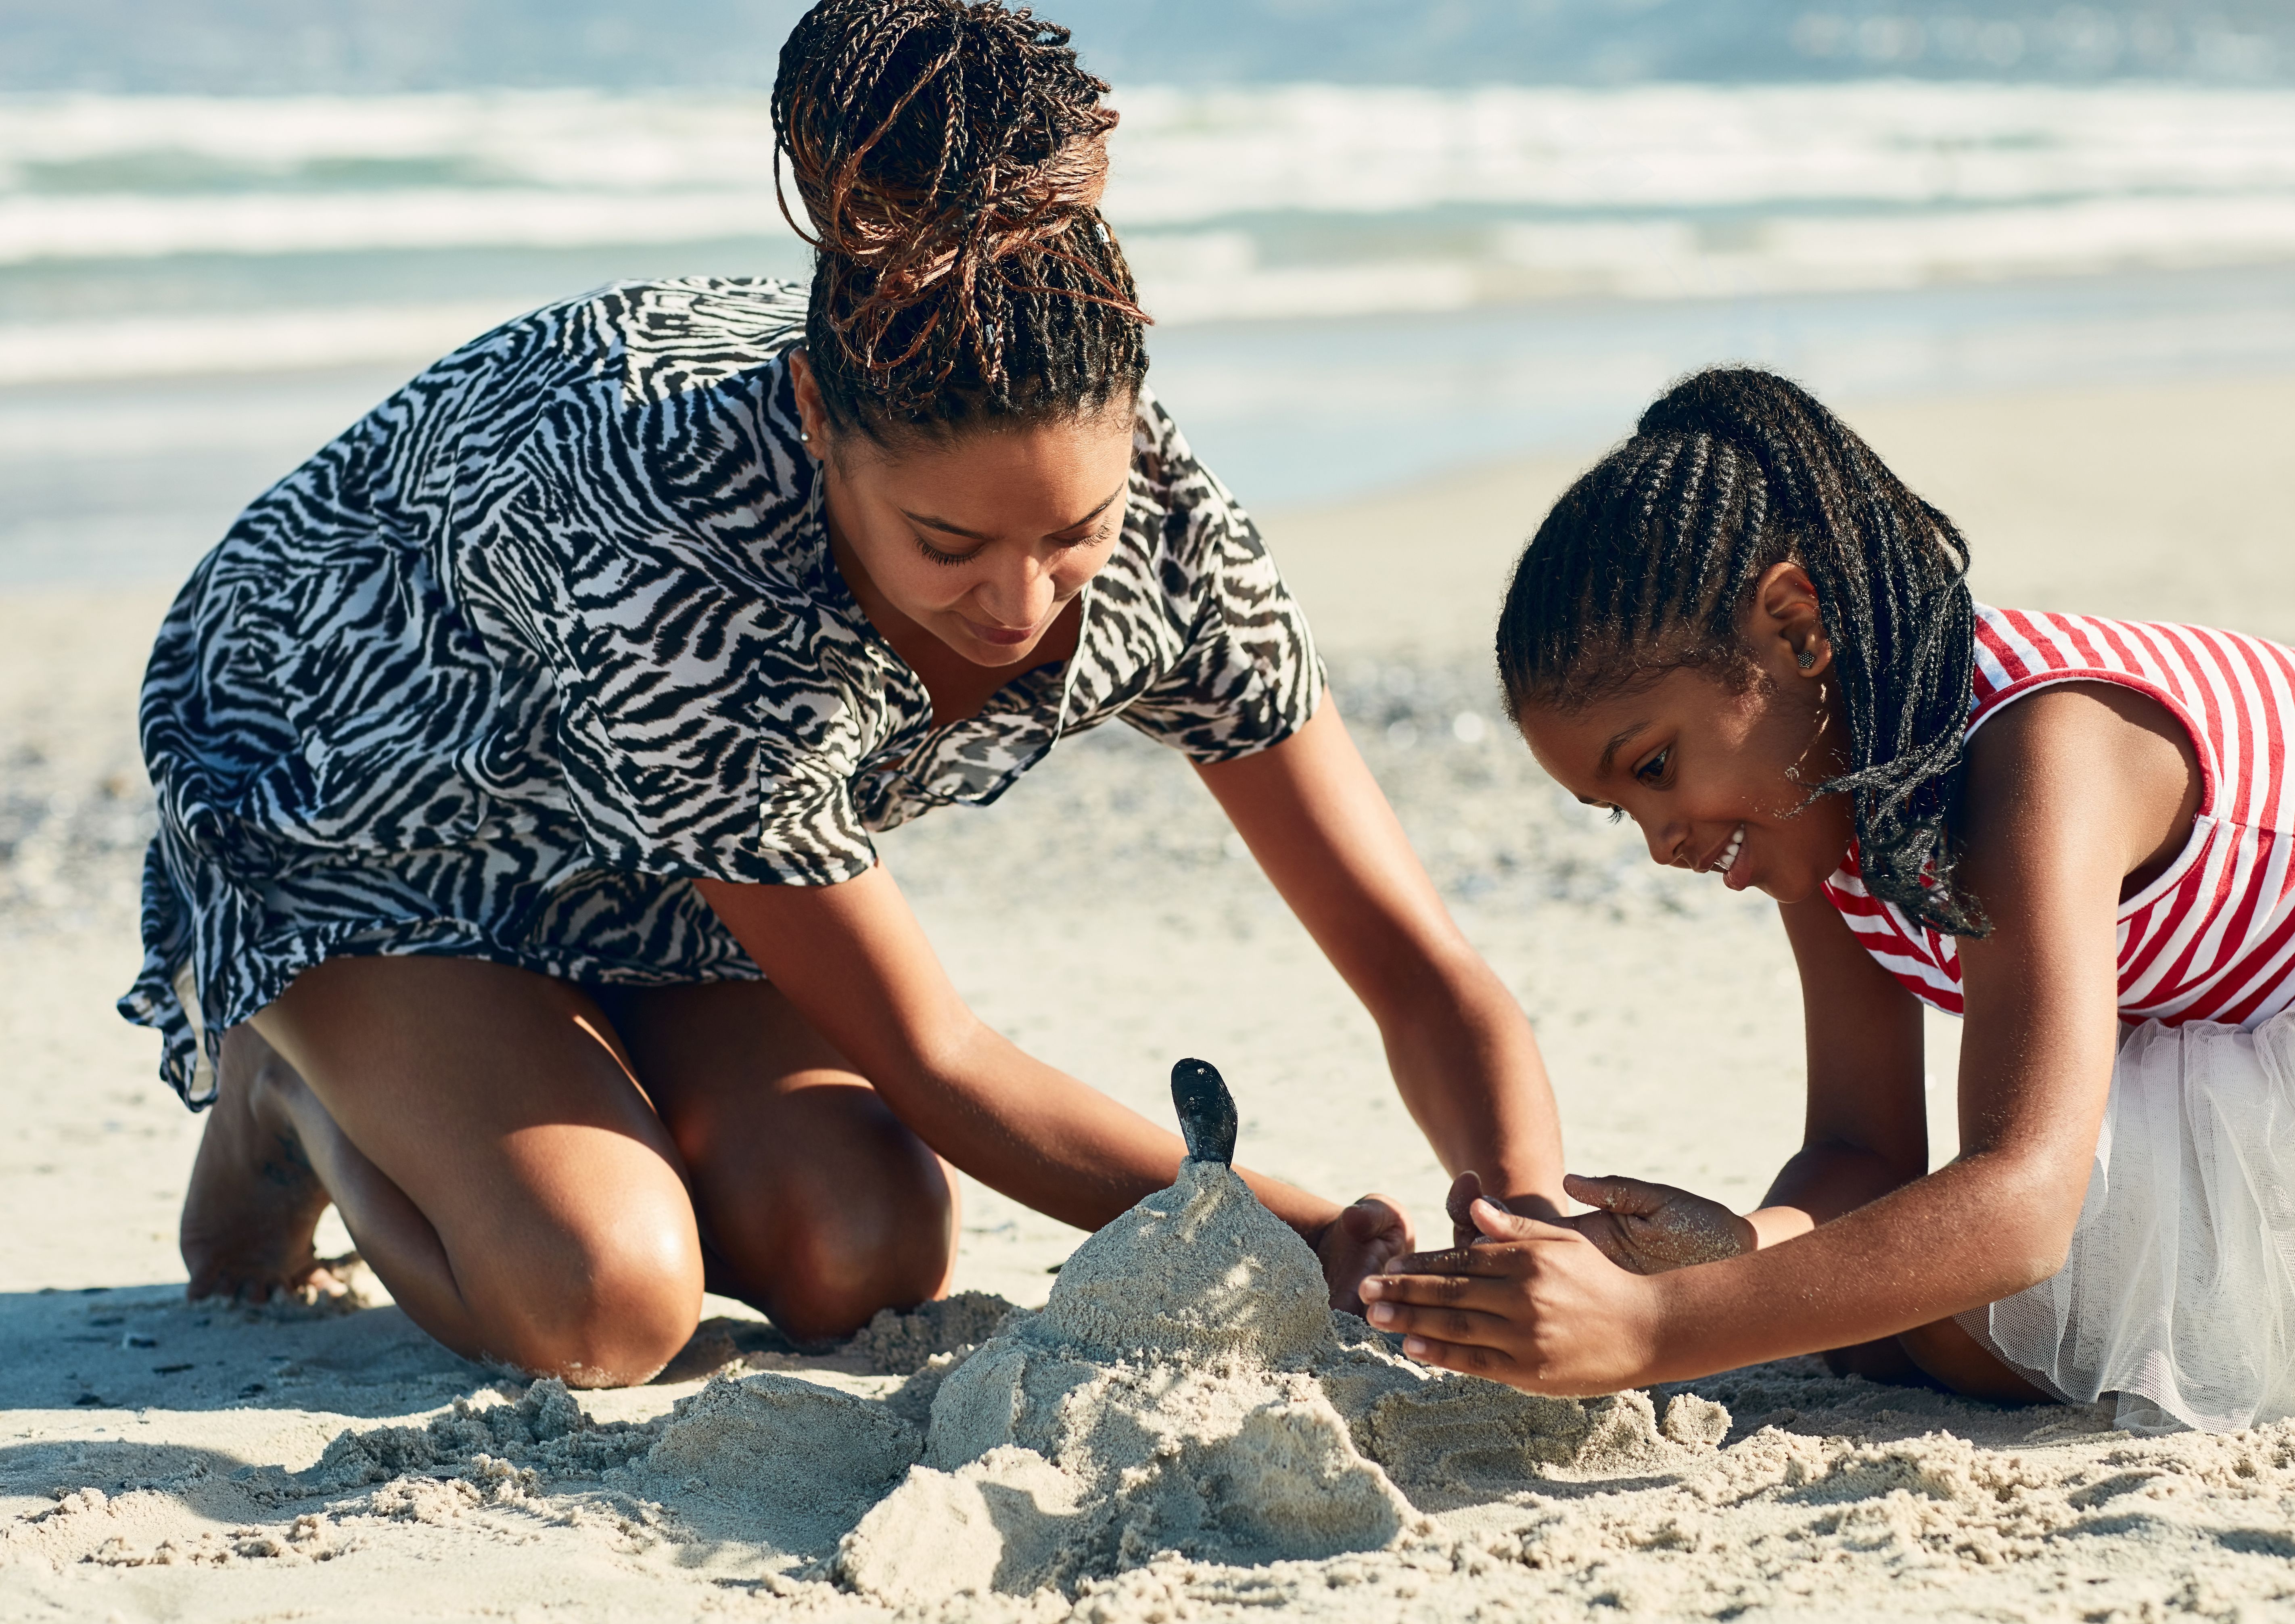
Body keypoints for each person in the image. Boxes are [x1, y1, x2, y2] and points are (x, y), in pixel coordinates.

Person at [123, 0, 1566, 1387]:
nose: (1019, 604)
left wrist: (1525, 1225)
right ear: (817, 419)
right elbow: (935, 1057)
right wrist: (1284, 1231)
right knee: (603, 1301)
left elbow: (1420, 967)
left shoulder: (1172, 526)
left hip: (670, 850)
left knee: (859, 1248)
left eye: (1074, 535)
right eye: (950, 546)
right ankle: (288, 1081)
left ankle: (547, 1082)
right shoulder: (678, 564)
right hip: (361, 808)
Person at [1360, 366, 2295, 1431]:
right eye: (1619, 809)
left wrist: (1647, 1330)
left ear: (1796, 627)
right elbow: (1862, 1154)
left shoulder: (2040, 754)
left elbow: (2017, 1209)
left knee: (1962, 1316)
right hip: (2214, 1024)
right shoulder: (1821, 806)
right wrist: (1732, 1247)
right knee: (1889, 1318)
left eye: (1655, 767)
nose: (1662, 841)